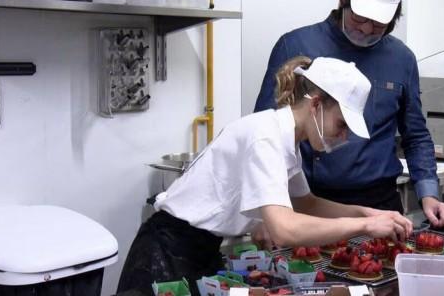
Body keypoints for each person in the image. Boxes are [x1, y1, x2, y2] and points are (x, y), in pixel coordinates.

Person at [117, 56, 413, 295]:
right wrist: (365, 225)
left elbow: (305, 203)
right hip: (167, 250)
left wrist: (368, 211)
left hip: (199, 247)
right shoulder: (266, 137)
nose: (343, 136)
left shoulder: (287, 141)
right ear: (316, 104)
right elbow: (285, 229)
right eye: (341, 124)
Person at [254, 0, 444, 230]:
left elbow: (416, 135)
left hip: (379, 202)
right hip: (312, 202)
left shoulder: (401, 59)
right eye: (360, 19)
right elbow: (268, 131)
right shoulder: (296, 45)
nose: (367, 29)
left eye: (379, 25)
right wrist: (266, 211)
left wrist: (428, 193)